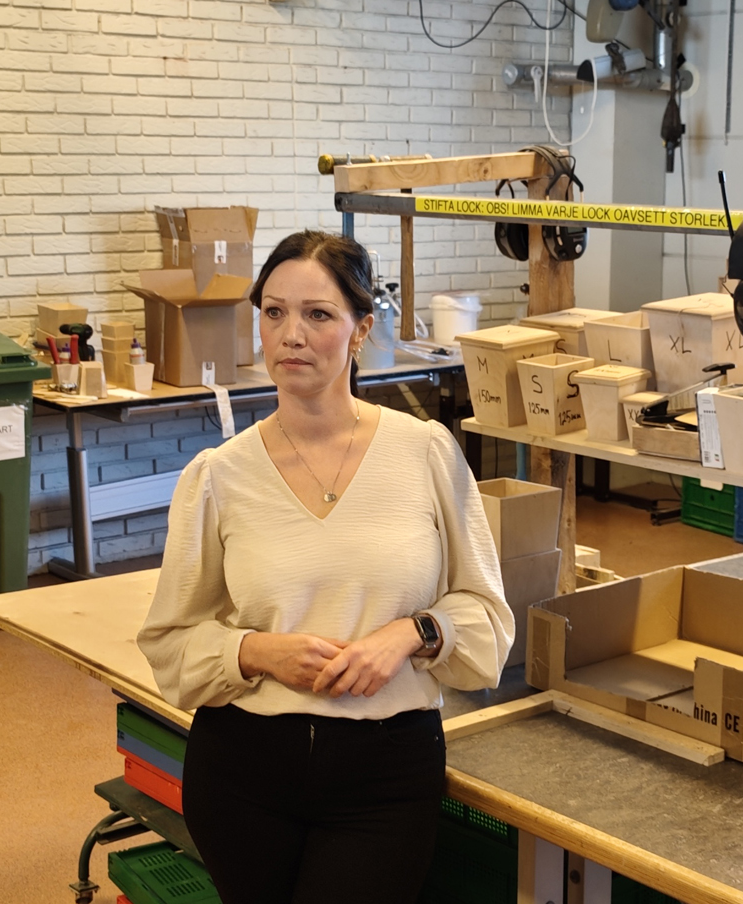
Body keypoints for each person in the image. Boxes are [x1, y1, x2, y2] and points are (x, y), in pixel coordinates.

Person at [136, 231, 512, 904]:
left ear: (361, 328)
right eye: (274, 313)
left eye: (318, 314)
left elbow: (487, 617)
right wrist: (254, 652)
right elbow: (169, 644)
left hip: (385, 771)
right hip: (242, 771)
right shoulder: (219, 476)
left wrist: (413, 633)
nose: (292, 335)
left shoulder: (426, 453)